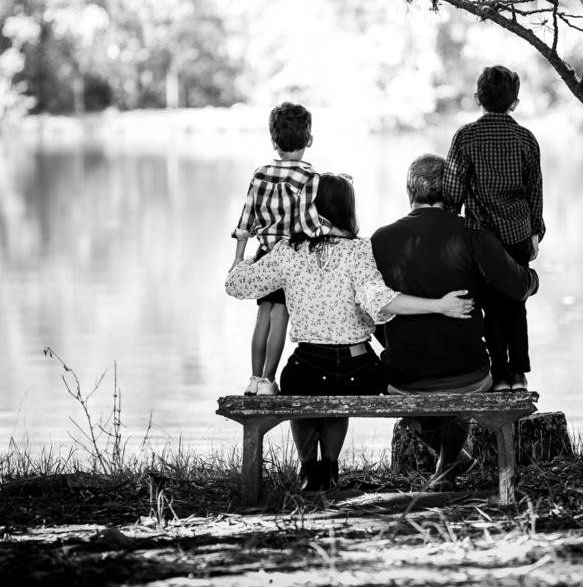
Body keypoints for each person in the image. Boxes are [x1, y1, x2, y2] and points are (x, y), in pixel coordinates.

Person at [226, 173, 474, 491]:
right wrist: (438, 305)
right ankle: (329, 467)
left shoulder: (288, 252)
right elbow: (380, 302)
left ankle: (310, 471)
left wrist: (240, 255)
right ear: (347, 209)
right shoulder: (358, 250)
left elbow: (236, 284)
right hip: (359, 371)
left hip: (307, 368)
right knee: (340, 388)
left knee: (300, 384)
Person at [373, 153, 540, 487]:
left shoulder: (379, 240)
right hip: (468, 374)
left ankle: (449, 464)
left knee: (397, 371)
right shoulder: (473, 233)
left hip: (403, 379)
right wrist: (532, 277)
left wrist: (394, 341)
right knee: (462, 367)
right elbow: (517, 288)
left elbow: (367, 310)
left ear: (410, 193)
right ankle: (450, 462)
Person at [441, 65, 546, 392]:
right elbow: (535, 191)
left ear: (477, 99)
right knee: (515, 303)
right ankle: (518, 375)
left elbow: (452, 189)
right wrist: (534, 232)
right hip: (516, 237)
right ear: (515, 102)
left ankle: (498, 375)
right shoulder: (526, 138)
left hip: (480, 239)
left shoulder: (465, 137)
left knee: (489, 305)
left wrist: (450, 225)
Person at [231, 102, 329, 396]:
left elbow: (245, 222)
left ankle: (253, 378)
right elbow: (311, 225)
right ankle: (269, 381)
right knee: (280, 316)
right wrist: (333, 232)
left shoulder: (260, 174)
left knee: (263, 316)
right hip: (291, 259)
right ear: (309, 139)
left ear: (274, 142)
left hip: (264, 256)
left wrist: (238, 261)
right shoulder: (310, 177)